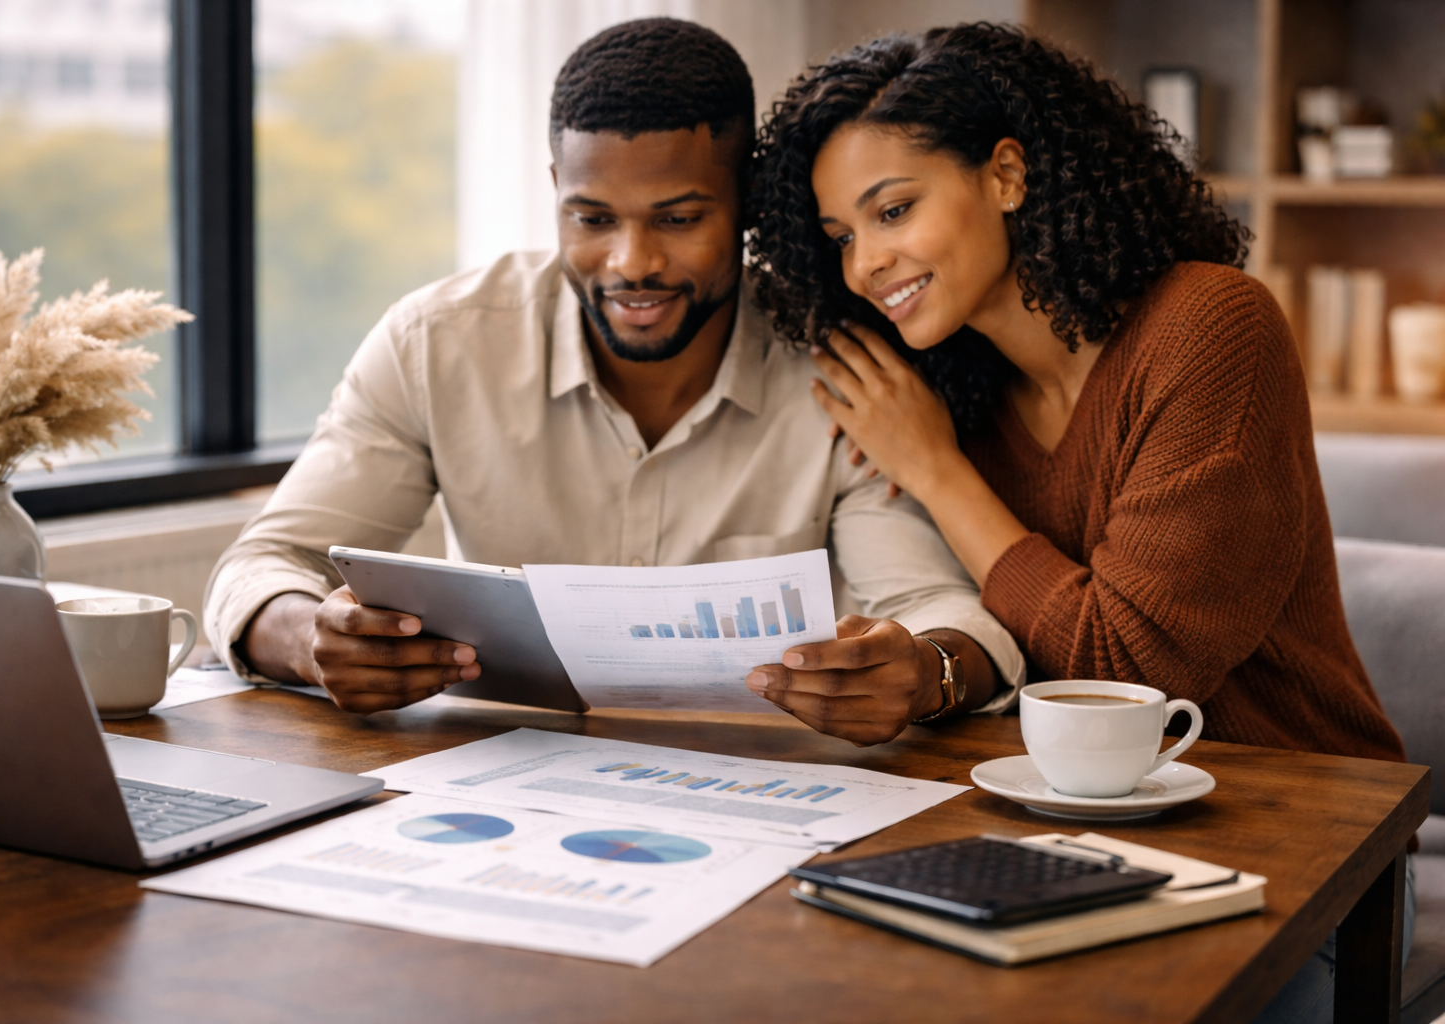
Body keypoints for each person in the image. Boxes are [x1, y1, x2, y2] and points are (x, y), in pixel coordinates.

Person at [744, 23, 1409, 1021]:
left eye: (893, 210)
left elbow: (1129, 670)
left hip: (1296, 847)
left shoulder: (1211, 329)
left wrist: (936, 468)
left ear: (1007, 174)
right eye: (842, 236)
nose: (866, 265)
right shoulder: (960, 391)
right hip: (1074, 838)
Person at [204, 17, 1026, 746]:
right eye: (592, 219)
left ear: (745, 205)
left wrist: (924, 673)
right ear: (555, 190)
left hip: (755, 792)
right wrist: (310, 638)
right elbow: (265, 565)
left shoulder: (840, 366)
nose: (631, 263)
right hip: (500, 790)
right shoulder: (436, 345)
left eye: (678, 218)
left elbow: (941, 611)